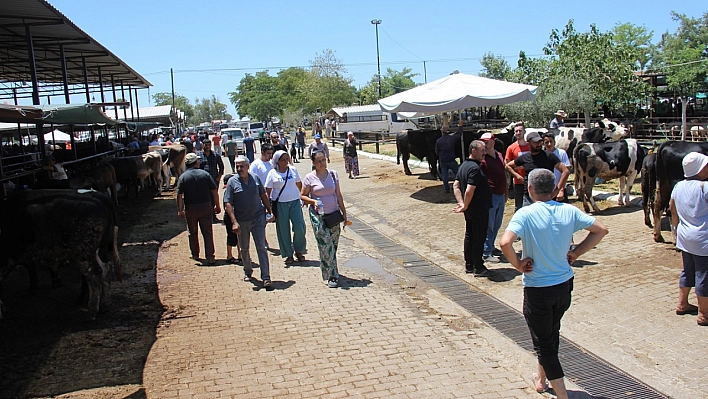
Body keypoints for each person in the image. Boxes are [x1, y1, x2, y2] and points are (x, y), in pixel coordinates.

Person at [499, 168, 608, 399]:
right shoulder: (569, 210)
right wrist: (576, 252)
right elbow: (601, 230)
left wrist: (518, 264)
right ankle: (541, 379)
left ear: (530, 189)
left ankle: (562, 395)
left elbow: (505, 243)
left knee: (544, 344)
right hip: (563, 286)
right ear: (555, 188)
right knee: (550, 332)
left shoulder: (525, 214)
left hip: (538, 288)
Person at [223, 156, 274, 288]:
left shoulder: (255, 178)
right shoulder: (232, 182)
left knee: (261, 248)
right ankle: (247, 270)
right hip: (242, 221)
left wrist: (270, 211)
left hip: (257, 218)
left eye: (242, 166)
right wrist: (234, 221)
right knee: (244, 248)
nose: (239, 169)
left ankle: (266, 277)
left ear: (248, 166)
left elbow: (263, 195)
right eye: (237, 166)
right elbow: (228, 203)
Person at [670, 152, 708, 326]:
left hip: (685, 237)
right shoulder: (704, 187)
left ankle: (682, 303)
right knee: (703, 275)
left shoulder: (678, 187)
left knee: (688, 270)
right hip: (703, 239)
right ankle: (704, 314)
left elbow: (673, 208)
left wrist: (676, 229)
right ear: (699, 169)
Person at [300, 151, 347, 288]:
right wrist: (313, 201)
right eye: (319, 161)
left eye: (323, 160)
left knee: (333, 244)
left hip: (333, 214)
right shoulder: (309, 178)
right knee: (325, 244)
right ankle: (332, 275)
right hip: (318, 216)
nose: (322, 163)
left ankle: (330, 268)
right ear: (313, 163)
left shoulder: (333, 174)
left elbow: (338, 194)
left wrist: (344, 212)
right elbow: (302, 196)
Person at [453, 140, 493, 277]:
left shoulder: (464, 165)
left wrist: (462, 204)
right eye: (482, 150)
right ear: (474, 151)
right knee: (479, 238)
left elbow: (456, 186)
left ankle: (469, 264)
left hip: (471, 209)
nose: (484, 153)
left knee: (470, 235)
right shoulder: (474, 168)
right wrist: (464, 204)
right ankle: (478, 267)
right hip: (478, 209)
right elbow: (469, 190)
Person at [176, 153, 220, 265]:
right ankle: (210, 256)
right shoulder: (205, 174)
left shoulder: (183, 177)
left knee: (192, 232)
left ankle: (195, 254)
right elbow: (214, 191)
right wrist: (217, 205)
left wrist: (180, 209)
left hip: (190, 208)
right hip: (205, 206)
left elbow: (179, 195)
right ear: (196, 162)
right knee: (207, 232)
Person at [506, 131, 569, 208]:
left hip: (546, 197)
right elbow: (508, 166)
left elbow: (565, 171)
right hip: (529, 198)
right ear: (528, 143)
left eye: (540, 142)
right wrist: (517, 176)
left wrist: (558, 190)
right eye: (535, 142)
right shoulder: (525, 157)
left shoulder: (549, 156)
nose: (539, 144)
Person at [265, 151, 307, 265]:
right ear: (277, 161)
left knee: (299, 227)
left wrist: (303, 197)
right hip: (280, 204)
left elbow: (299, 184)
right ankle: (288, 254)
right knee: (283, 230)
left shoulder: (293, 170)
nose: (285, 162)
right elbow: (267, 192)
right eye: (282, 160)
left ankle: (299, 250)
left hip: (294, 202)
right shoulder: (272, 173)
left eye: (286, 159)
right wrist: (267, 208)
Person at [479, 133, 508, 263]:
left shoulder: (499, 155)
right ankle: (486, 252)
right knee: (489, 224)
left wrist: (506, 192)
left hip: (500, 194)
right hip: (490, 196)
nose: (485, 144)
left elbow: (503, 174)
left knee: (497, 223)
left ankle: (490, 246)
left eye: (487, 142)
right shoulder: (483, 159)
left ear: (493, 142)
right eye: (483, 142)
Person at [505, 123, 531, 212]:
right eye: (516, 131)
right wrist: (517, 176)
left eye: (520, 130)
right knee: (519, 206)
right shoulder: (511, 148)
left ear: (524, 131)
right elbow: (507, 165)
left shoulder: (530, 146)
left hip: (531, 180)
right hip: (518, 181)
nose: (518, 133)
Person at [198, 140, 224, 223]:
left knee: (213, 198)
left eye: (209, 145)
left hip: (214, 180)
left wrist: (219, 177)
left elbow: (221, 167)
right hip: (203, 181)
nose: (207, 147)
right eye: (206, 145)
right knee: (205, 198)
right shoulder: (199, 156)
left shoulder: (216, 155)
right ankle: (206, 216)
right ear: (203, 146)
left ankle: (213, 216)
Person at [542, 133, 571, 202]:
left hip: (559, 187)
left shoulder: (561, 153)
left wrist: (561, 189)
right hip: (546, 190)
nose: (549, 144)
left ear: (554, 142)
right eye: (546, 142)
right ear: (543, 143)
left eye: (551, 141)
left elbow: (567, 170)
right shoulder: (542, 155)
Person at [222, 174, 242, 265]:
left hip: (232, 216)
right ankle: (230, 256)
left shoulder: (229, 191)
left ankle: (240, 255)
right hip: (231, 217)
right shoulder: (229, 192)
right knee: (232, 236)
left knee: (237, 236)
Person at [435, 125, 459, 193]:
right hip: (451, 159)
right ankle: (459, 185)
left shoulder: (438, 141)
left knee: (445, 176)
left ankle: (447, 188)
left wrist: (440, 156)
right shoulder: (452, 138)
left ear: (442, 132)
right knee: (457, 173)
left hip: (443, 160)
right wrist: (460, 126)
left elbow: (436, 151)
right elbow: (459, 134)